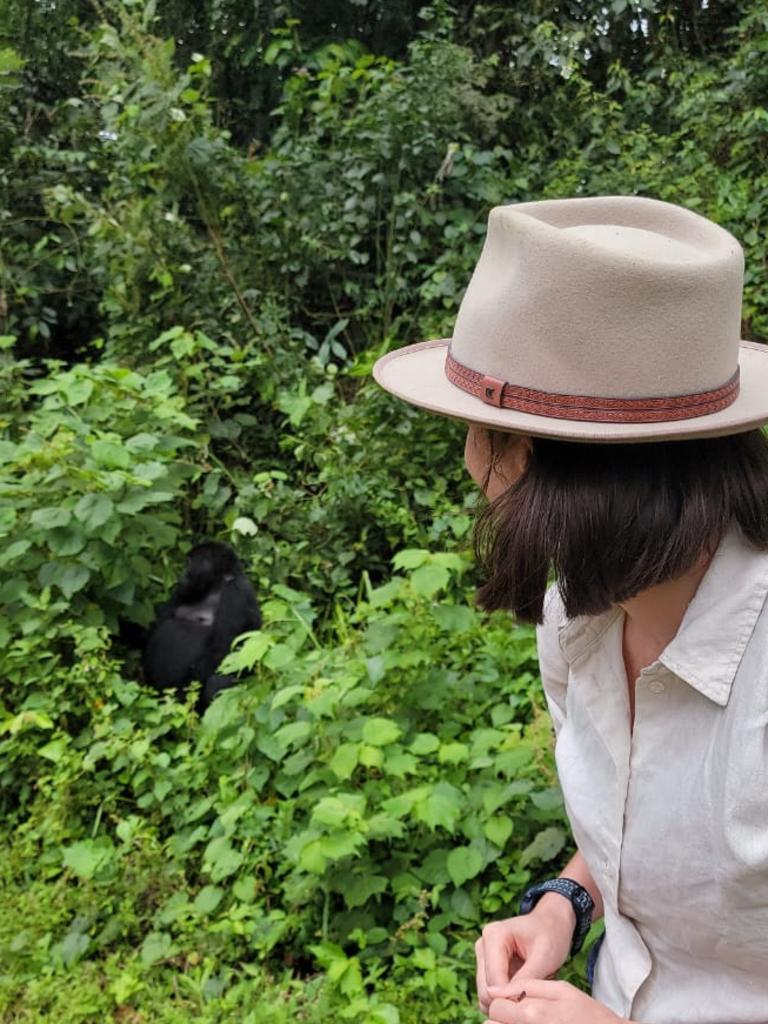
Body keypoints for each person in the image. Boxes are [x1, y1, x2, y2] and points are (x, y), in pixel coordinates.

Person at [373, 196, 768, 1023]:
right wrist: (564, 902)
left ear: (531, 463)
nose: (469, 458)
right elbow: (646, 830)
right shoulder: (579, 615)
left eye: (479, 428)